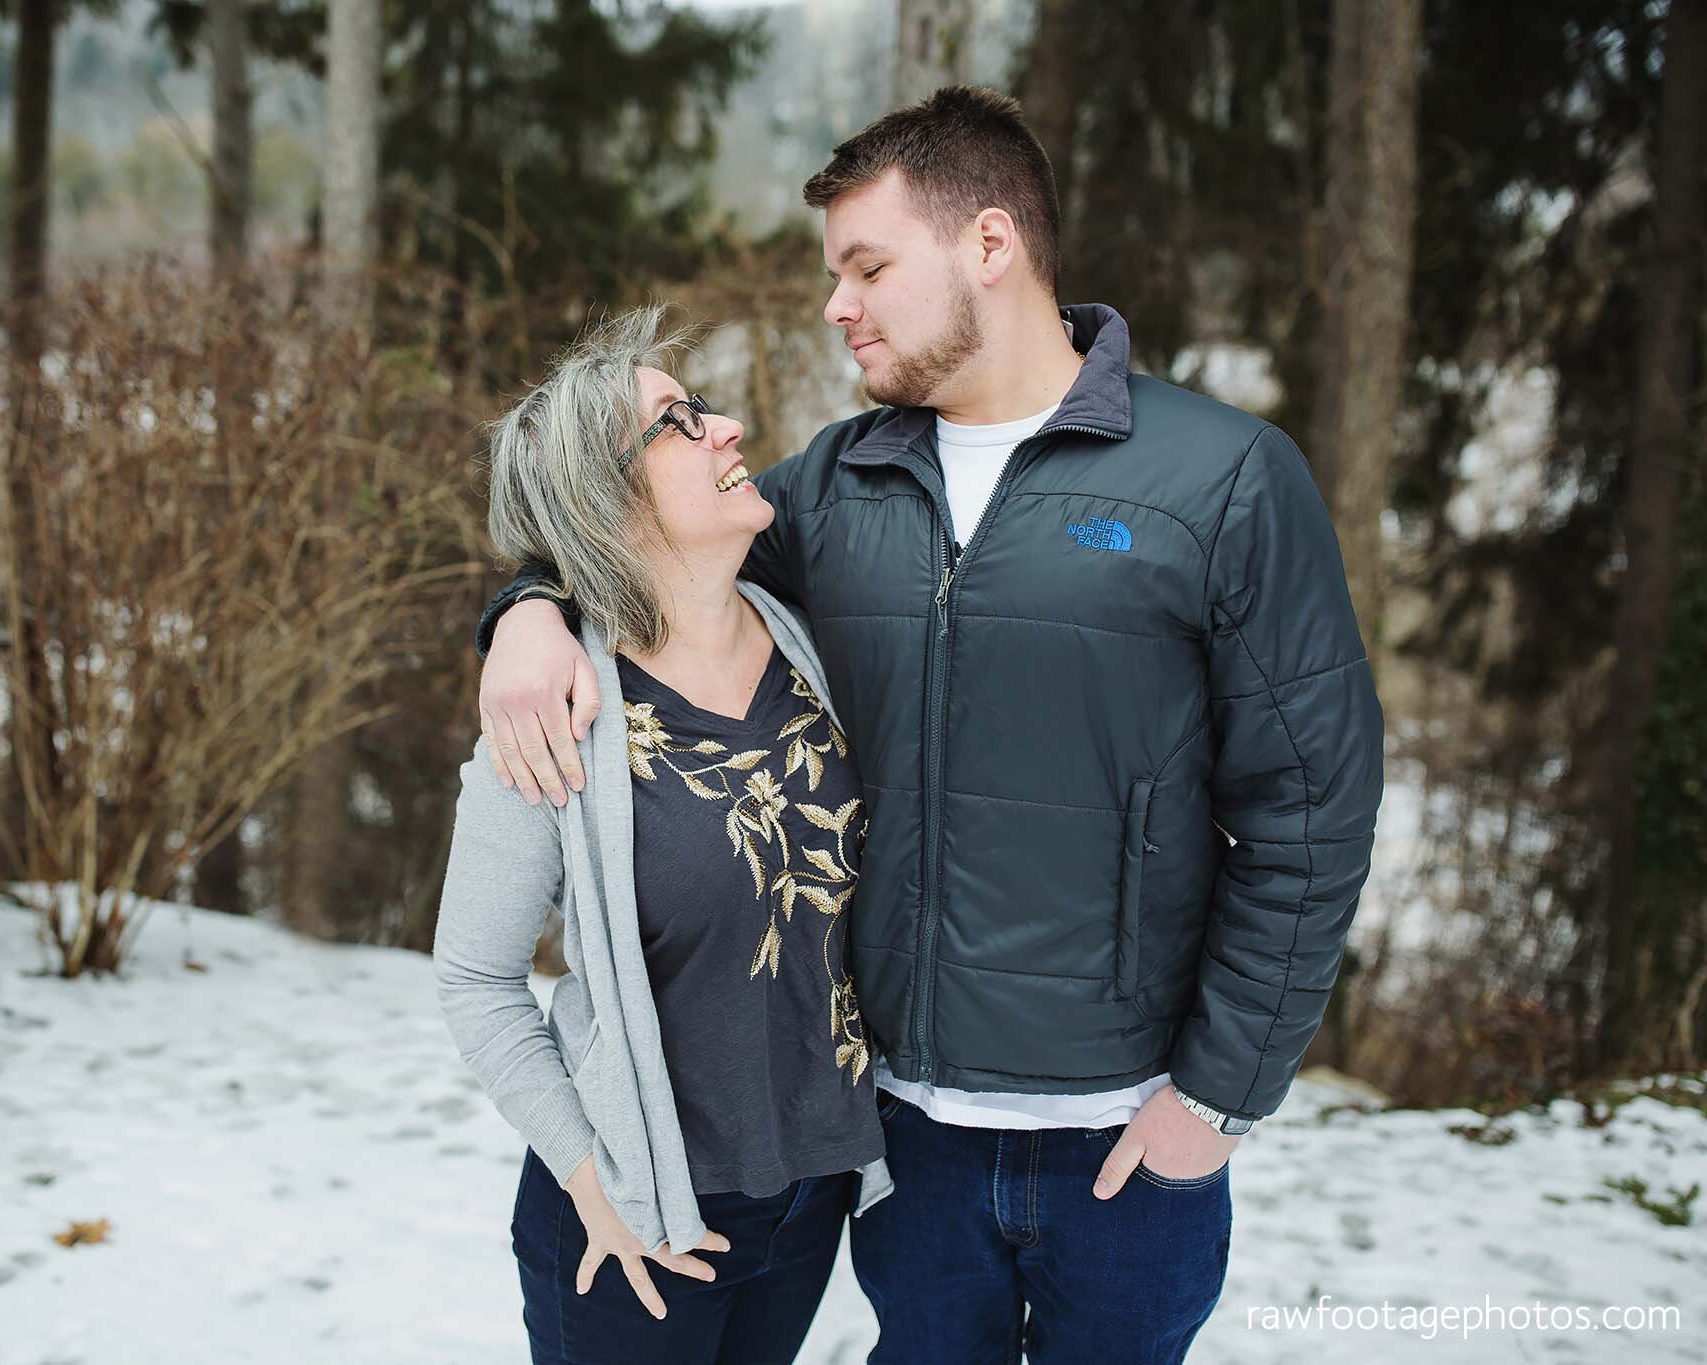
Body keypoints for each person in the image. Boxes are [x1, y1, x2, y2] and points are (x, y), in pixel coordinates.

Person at [472, 86, 1386, 1364]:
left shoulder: (1220, 480)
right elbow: (625, 539)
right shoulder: (839, 487)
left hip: (1123, 1144)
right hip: (905, 1149)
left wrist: (1215, 1101)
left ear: (989, 246)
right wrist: (520, 610)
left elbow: (1309, 813)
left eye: (867, 266)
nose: (836, 304)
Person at [432, 304, 896, 1365]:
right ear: (606, 497)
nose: (725, 426)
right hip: (633, 1228)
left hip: (809, 1197)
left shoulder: (805, 641)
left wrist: (519, 604)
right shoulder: (554, 715)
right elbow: (474, 979)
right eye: (677, 423)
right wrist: (592, 1184)